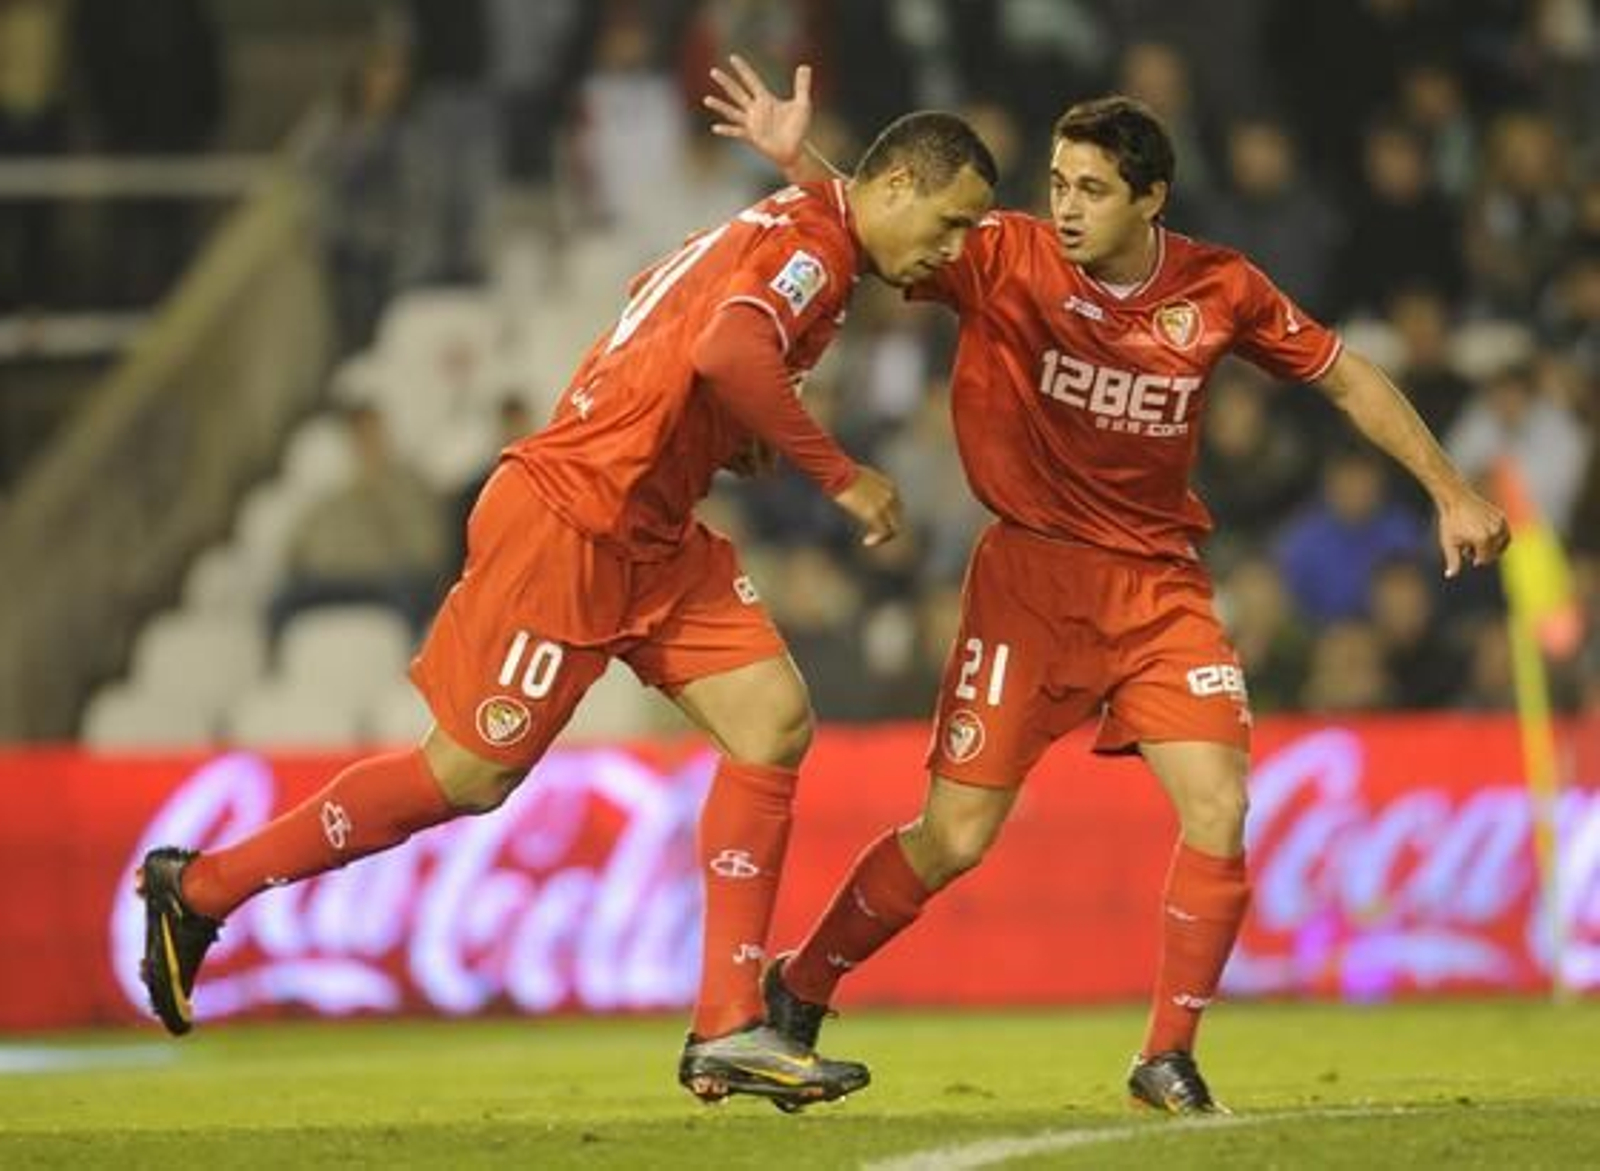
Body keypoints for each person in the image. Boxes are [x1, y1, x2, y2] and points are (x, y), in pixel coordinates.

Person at [136, 107, 998, 1112]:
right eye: (947, 225)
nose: (949, 251)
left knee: (771, 718)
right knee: (465, 774)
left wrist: (729, 433)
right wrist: (836, 472)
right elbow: (726, 348)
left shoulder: (812, 223)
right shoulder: (812, 244)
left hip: (655, 534)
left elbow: (664, 313)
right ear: (893, 187)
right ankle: (198, 889)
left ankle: (728, 1023)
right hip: (575, 524)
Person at [705, 56, 1510, 1114]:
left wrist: (1448, 488)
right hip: (1028, 584)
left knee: (1219, 807)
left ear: (1150, 199)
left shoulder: (1218, 288)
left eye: (1089, 189)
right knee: (953, 838)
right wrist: (796, 160)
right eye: (1057, 183)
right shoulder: (999, 256)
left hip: (1157, 588)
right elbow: (879, 223)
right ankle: (800, 986)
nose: (1065, 207)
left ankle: (1164, 1055)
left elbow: (1345, 374)